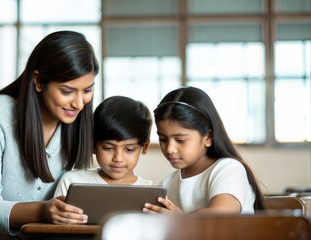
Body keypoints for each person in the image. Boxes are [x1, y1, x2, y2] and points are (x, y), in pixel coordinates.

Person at [0, 30, 99, 235]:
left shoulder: (77, 121)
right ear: (38, 81)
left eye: (87, 90)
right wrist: (43, 210)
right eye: (67, 91)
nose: (79, 102)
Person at [143, 86, 265, 215]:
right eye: (163, 139)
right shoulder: (167, 183)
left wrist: (180, 221)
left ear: (208, 137)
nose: (169, 149)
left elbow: (220, 218)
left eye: (180, 140)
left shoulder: (228, 169)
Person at [54, 96, 153, 198]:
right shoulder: (72, 182)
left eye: (129, 149)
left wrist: (170, 214)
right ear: (92, 145)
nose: (118, 158)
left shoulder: (151, 192)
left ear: (144, 147)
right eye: (108, 148)